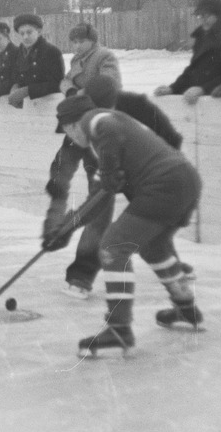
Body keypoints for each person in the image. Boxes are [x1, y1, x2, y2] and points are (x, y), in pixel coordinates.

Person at [49, 83, 203, 356]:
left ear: (73, 126)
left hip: (164, 184)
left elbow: (106, 135)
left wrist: (108, 171)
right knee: (154, 246)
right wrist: (66, 228)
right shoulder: (112, 129)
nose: (71, 139)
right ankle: (185, 306)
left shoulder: (97, 122)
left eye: (68, 133)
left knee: (112, 246)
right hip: (185, 180)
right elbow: (98, 197)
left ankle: (119, 328)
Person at [44, 75, 185, 299]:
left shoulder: (134, 105)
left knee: (149, 221)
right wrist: (56, 223)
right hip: (102, 166)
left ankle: (175, 271)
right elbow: (63, 166)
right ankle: (81, 276)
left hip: (141, 170)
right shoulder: (78, 115)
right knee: (98, 216)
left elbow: (171, 137)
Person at [153, 0, 221, 103]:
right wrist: (173, 88)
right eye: (201, 16)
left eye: (208, 16)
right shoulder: (202, 38)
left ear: (218, 16)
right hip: (197, 98)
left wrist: (203, 89)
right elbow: (192, 70)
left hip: (220, 99)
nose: (204, 20)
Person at [8, 13, 65, 107]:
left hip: (48, 106)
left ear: (39, 31)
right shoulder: (17, 54)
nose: (25, 37)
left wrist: (28, 90)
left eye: (29, 32)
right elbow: (14, 76)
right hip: (25, 110)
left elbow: (56, 83)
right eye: (22, 33)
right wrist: (15, 86)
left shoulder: (51, 52)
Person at [60, 23, 122, 97]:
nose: (78, 46)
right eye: (75, 42)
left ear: (92, 41)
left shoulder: (104, 56)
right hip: (83, 101)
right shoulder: (77, 60)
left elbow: (109, 82)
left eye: (82, 42)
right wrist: (71, 91)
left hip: (104, 101)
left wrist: (82, 93)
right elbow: (67, 80)